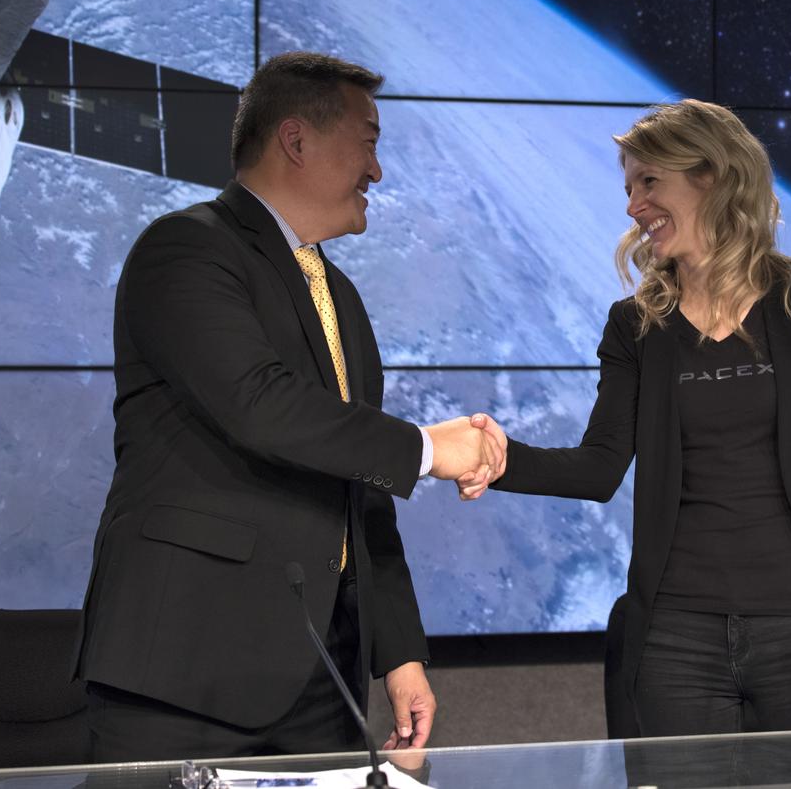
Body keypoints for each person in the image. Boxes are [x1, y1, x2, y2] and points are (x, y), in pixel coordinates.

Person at [73, 52, 504, 761]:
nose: (378, 170)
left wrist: (399, 655)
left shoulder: (341, 299)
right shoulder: (185, 249)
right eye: (367, 142)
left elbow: (358, 482)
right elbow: (259, 404)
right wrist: (428, 449)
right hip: (181, 676)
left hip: (317, 678)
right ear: (297, 141)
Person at [461, 99, 791, 737]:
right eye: (628, 188)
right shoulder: (636, 325)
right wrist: (498, 457)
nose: (632, 206)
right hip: (677, 642)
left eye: (649, 181)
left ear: (711, 175)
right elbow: (598, 468)